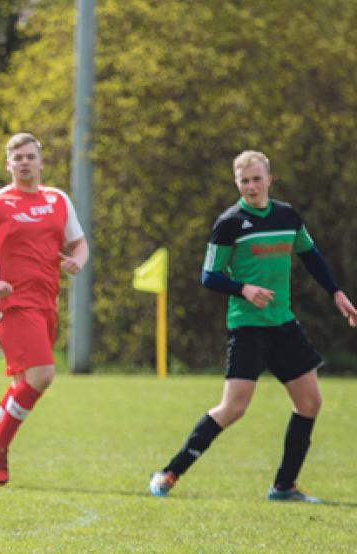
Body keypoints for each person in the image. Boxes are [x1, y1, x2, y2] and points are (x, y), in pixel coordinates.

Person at [148, 150, 357, 502]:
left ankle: (284, 486)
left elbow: (310, 255)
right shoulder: (229, 222)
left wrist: (336, 293)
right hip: (247, 326)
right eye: (244, 181)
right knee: (234, 408)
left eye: (257, 179)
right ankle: (170, 472)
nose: (251, 186)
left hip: (284, 324)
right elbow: (208, 276)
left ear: (269, 179)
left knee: (310, 402)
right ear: (237, 183)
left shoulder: (287, 215)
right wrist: (242, 289)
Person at [0, 132, 89, 486]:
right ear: (9, 165)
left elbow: (79, 243)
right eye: (19, 158)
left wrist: (76, 261)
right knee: (42, 375)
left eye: (31, 156)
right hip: (13, 302)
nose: (25, 163)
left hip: (48, 302)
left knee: (22, 384)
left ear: (41, 161)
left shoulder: (57, 200)